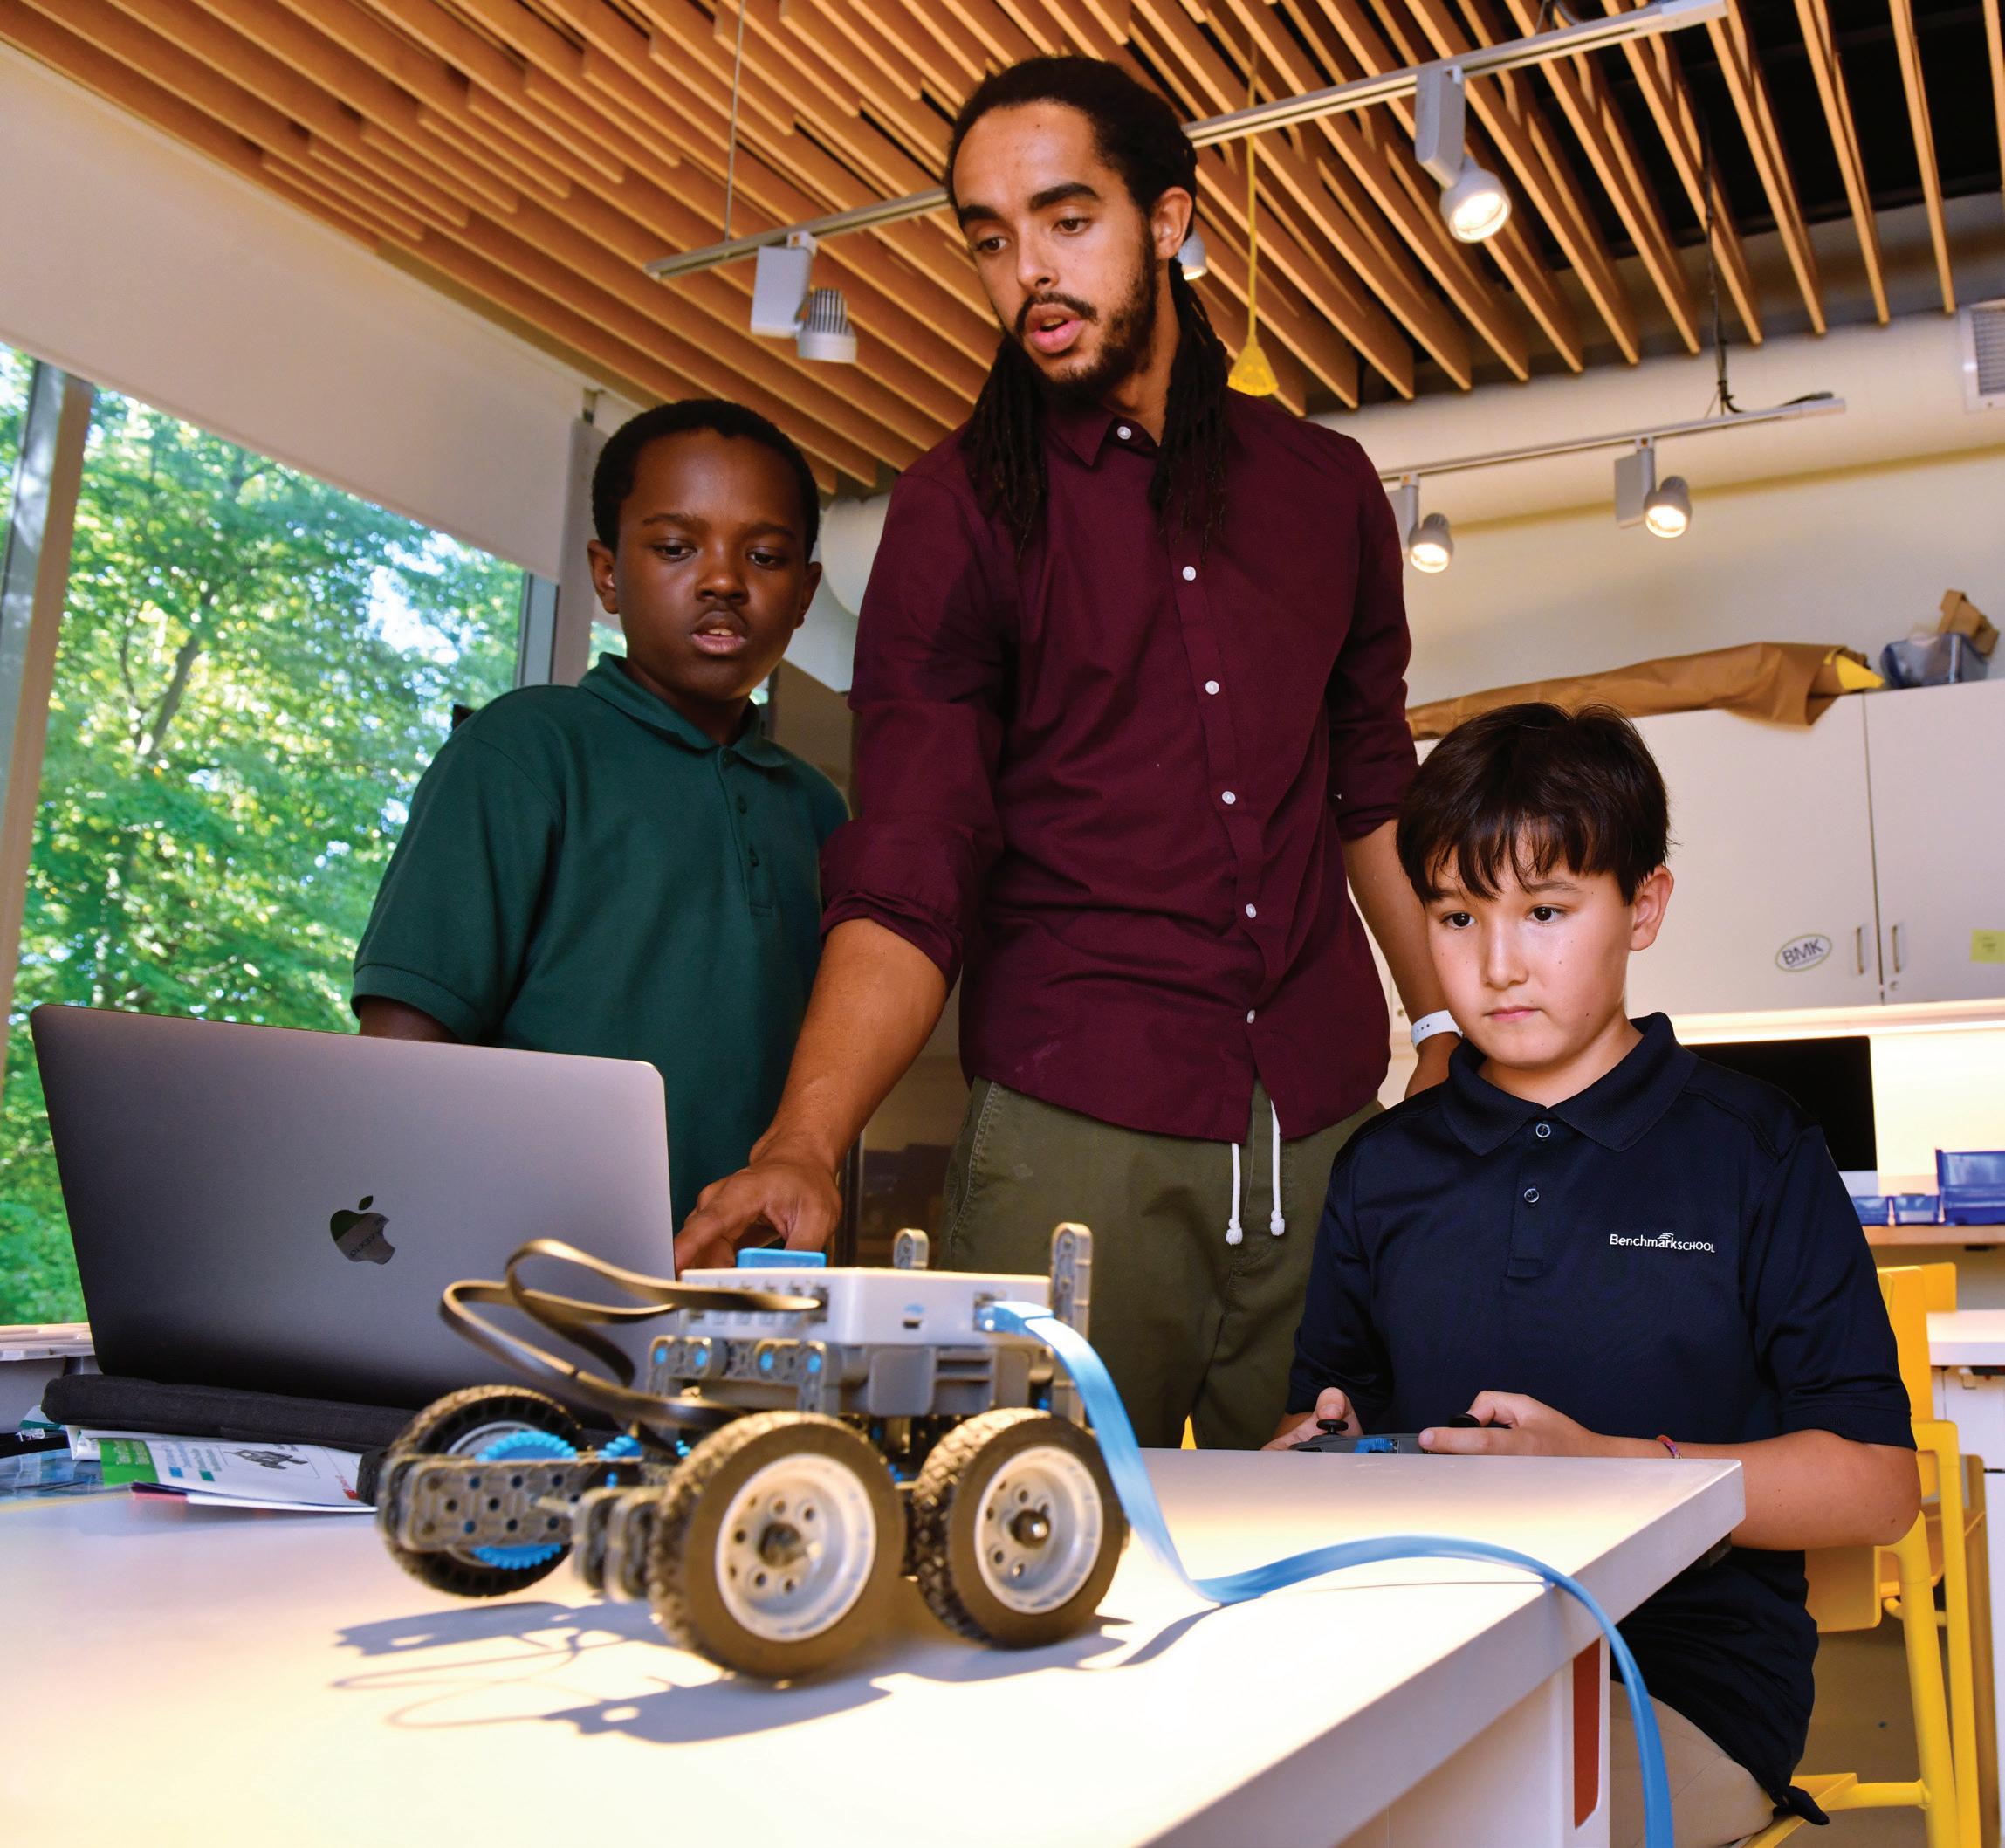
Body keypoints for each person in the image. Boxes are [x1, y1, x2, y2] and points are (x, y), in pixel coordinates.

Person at [678, 57, 1457, 1452]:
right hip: (1074, 1126)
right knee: (1030, 1539)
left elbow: (1369, 782)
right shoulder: (955, 513)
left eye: (1067, 219)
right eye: (989, 237)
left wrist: (1445, 1027)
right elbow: (909, 859)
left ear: (1167, 220)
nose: (1027, 270)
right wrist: (803, 1141)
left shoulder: (1324, 488)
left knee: (1360, 1544)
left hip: (1333, 1121)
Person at [1268, 703, 1919, 1847]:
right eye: (1456, 916)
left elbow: (1875, 1486)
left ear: (1643, 906)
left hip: (1678, 1681)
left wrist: (1610, 1470)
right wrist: (1310, 1456)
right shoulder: (1381, 1166)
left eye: (1545, 910)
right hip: (1416, 1661)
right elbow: (1329, 1415)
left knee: (1464, 1826)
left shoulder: (1753, 1148)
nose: (1496, 964)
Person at [351, 400, 847, 1225]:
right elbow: (399, 1058)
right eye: (676, 547)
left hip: (744, 1274)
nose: (724, 580)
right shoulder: (522, 750)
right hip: (522, 1267)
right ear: (608, 573)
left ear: (803, 593)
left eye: (763, 555)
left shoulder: (819, 811)